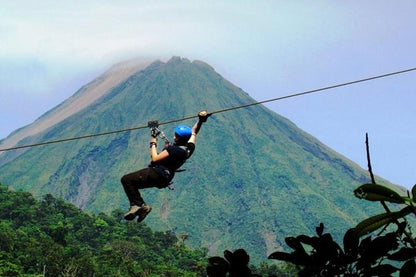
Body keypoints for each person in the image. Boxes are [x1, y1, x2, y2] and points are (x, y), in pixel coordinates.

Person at [121, 110, 210, 222]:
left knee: (126, 179)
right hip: (165, 178)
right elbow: (194, 132)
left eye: (175, 135)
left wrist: (153, 142)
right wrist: (201, 121)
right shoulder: (188, 149)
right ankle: (140, 207)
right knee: (133, 183)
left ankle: (139, 205)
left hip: (157, 173)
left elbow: (155, 158)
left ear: (176, 137)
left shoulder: (173, 150)